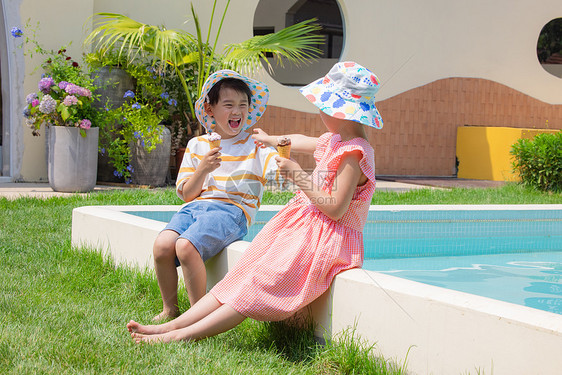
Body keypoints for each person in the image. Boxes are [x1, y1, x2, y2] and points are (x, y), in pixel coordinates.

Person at [127, 61, 384, 342]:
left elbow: (335, 209)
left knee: (255, 286)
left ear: (341, 110)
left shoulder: (354, 154)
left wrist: (298, 176)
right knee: (241, 276)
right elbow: (301, 140)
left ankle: (180, 336)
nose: (319, 110)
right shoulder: (337, 140)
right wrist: (272, 139)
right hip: (304, 229)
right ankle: (171, 325)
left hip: (323, 240)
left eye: (324, 105)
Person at [151, 70, 280, 321]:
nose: (237, 111)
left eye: (243, 105)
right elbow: (187, 195)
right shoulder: (198, 145)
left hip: (232, 211)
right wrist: (203, 169)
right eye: (229, 104)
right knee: (162, 245)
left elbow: (278, 171)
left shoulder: (257, 145)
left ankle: (198, 318)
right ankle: (170, 309)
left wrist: (282, 157)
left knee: (186, 246)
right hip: (196, 206)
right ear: (210, 109)